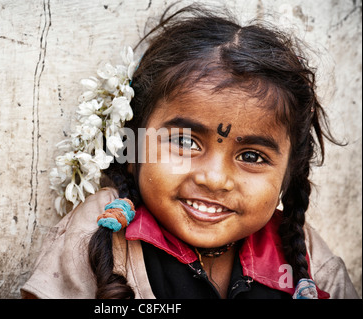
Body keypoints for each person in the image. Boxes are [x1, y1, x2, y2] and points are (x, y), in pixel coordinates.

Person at [21, 4, 359, 299]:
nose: (214, 178)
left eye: (252, 156)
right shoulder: (101, 230)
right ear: (131, 144)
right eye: (184, 142)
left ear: (288, 174)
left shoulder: (311, 261)